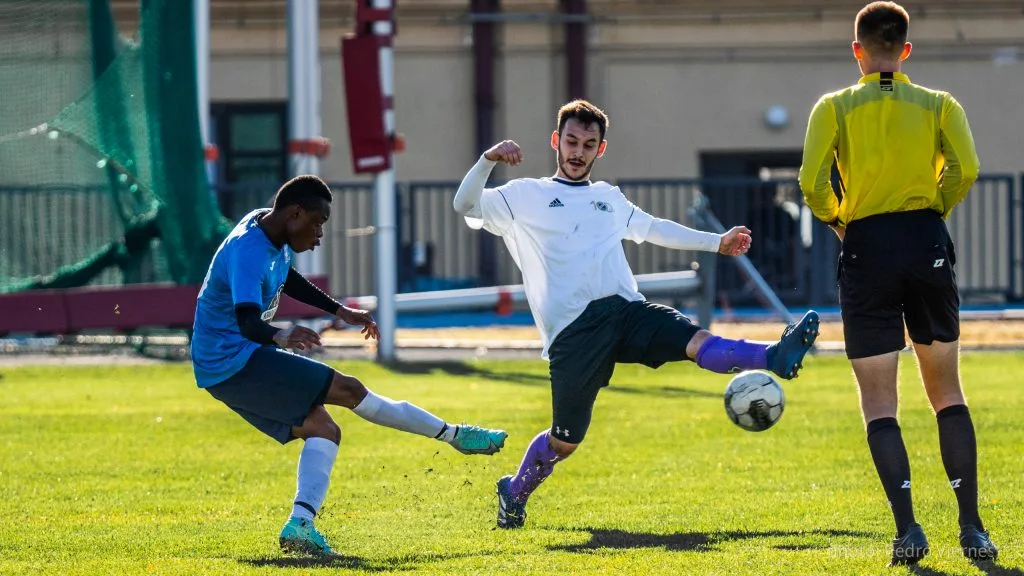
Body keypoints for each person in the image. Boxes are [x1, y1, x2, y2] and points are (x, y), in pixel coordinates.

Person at [452, 99, 820, 530]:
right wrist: (487, 160)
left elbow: (654, 228)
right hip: (573, 334)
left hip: (626, 311)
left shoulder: (608, 198)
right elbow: (465, 205)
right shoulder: (524, 196)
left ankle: (773, 357)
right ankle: (514, 491)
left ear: (600, 150)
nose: (577, 151)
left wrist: (716, 242)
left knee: (694, 340)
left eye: (588, 144)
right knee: (565, 441)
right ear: (556, 141)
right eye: (571, 141)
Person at [191, 175, 508, 557]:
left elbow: (285, 276)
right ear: (294, 213)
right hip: (233, 359)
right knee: (351, 390)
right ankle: (455, 435)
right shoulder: (248, 250)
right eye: (318, 222)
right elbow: (246, 321)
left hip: (231, 360)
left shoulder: (267, 225)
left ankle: (300, 527)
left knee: (324, 429)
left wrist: (338, 310)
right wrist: (284, 336)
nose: (320, 233)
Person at [798, 1, 995, 566]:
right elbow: (968, 168)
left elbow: (812, 182)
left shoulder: (833, 106)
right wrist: (934, 210)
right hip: (924, 240)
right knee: (947, 393)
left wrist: (840, 220)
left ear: (856, 50)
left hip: (865, 247)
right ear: (906, 50)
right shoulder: (939, 104)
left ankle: (909, 529)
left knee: (879, 400)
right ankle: (973, 527)